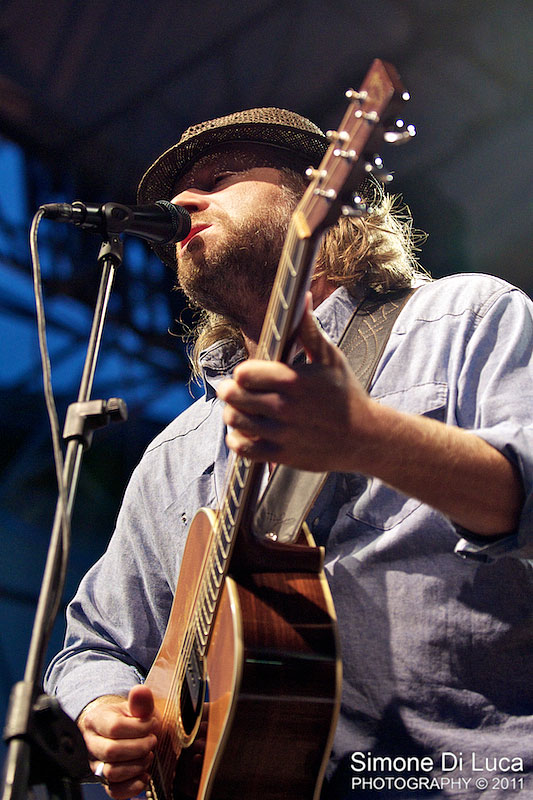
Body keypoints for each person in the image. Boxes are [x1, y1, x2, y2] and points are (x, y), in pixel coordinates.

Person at [45, 107, 533, 800]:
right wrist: (104, 711)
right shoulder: (176, 455)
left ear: (319, 196)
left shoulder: (463, 320)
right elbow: (94, 644)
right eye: (180, 191)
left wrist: (368, 436)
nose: (184, 201)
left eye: (220, 178)